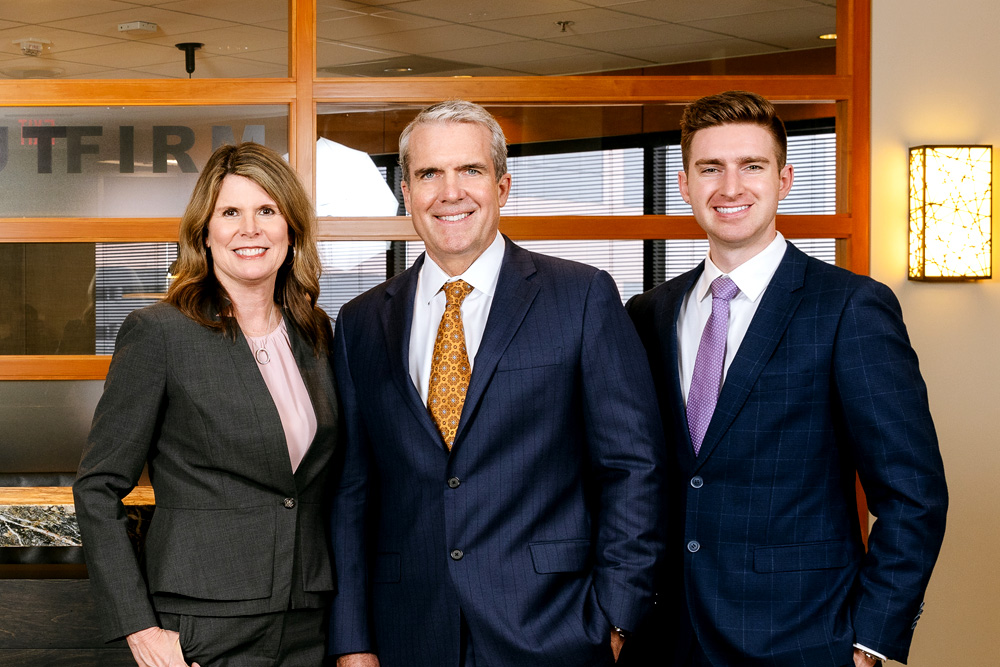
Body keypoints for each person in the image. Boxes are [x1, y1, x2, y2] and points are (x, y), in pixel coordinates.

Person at [328, 100, 666, 667]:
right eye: (429, 174)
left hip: (554, 628)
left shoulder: (581, 296)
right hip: (405, 632)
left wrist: (616, 615)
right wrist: (352, 639)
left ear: (503, 186)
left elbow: (632, 467)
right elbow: (352, 493)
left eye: (470, 171)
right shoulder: (361, 321)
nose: (449, 191)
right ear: (406, 193)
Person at [624, 91, 949, 667]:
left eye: (752, 166)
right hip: (664, 638)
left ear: (785, 180)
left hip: (803, 638)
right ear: (683, 184)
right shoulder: (647, 313)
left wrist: (871, 640)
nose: (730, 187)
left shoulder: (849, 307)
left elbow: (913, 494)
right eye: (710, 168)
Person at [73, 142, 339, 667]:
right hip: (201, 626)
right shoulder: (160, 334)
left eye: (267, 210)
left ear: (291, 228)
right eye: (230, 213)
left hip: (306, 615)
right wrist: (140, 629)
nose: (250, 228)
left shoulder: (315, 334)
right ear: (205, 231)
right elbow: (98, 487)